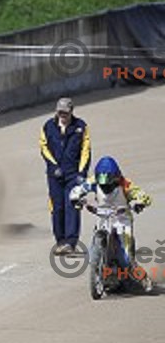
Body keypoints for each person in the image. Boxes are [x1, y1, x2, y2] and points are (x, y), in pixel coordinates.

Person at [69, 156, 153, 291]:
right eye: (102, 182)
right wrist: (75, 198)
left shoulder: (125, 184)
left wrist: (140, 203)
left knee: (126, 259)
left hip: (122, 220)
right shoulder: (94, 181)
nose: (105, 186)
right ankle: (98, 265)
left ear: (116, 177)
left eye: (109, 182)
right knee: (96, 241)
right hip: (102, 217)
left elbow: (142, 195)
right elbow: (78, 189)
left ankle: (143, 278)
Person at [39, 97, 91, 254]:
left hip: (73, 174)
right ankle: (60, 241)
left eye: (65, 112)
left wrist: (81, 173)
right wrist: (53, 166)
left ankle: (70, 242)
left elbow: (86, 151)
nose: (62, 115)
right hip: (54, 175)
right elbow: (43, 148)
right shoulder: (48, 126)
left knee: (72, 206)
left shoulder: (81, 127)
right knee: (57, 207)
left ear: (71, 112)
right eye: (60, 112)